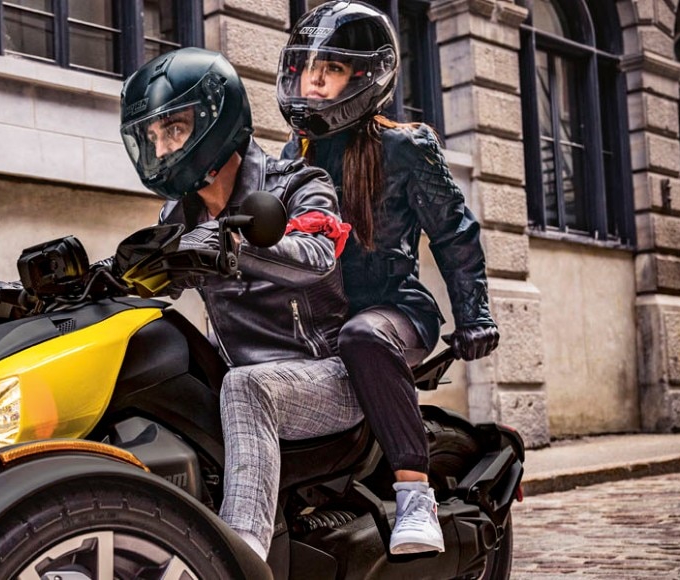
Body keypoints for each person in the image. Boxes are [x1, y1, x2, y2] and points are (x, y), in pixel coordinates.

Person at [276, 0, 501, 555]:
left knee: (363, 336)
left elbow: (455, 234)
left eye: (329, 70)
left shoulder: (404, 147)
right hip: (319, 316)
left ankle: (414, 493)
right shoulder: (292, 155)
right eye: (308, 69)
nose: (314, 82)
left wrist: (475, 315)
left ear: (363, 77)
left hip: (394, 310)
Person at [120, 46, 357, 561]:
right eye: (153, 137)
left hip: (329, 373)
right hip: (239, 372)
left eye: (174, 130)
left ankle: (240, 558)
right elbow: (155, 281)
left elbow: (319, 254)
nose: (161, 149)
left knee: (248, 387)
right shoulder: (179, 212)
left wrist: (236, 246)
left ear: (216, 118)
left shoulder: (298, 182)